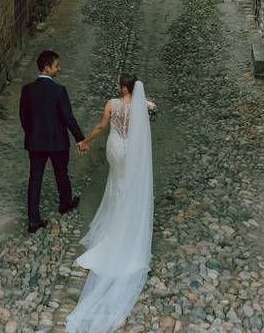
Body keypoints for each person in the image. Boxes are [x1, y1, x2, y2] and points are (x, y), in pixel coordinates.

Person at [66, 73, 154, 333]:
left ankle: (115, 226)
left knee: (116, 184)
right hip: (131, 151)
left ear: (123, 87)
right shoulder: (139, 107)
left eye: (119, 83)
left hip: (115, 148)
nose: (117, 86)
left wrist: (85, 141)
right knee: (126, 186)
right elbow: (144, 120)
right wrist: (148, 106)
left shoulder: (111, 104)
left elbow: (101, 127)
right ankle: (127, 225)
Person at [19, 50, 88, 234]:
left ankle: (33, 220)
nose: (59, 68)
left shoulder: (27, 90)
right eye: (57, 66)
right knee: (61, 173)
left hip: (36, 143)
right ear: (47, 68)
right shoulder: (59, 91)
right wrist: (80, 138)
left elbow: (24, 117)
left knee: (35, 179)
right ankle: (65, 203)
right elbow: (68, 118)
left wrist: (32, 134)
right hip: (58, 142)